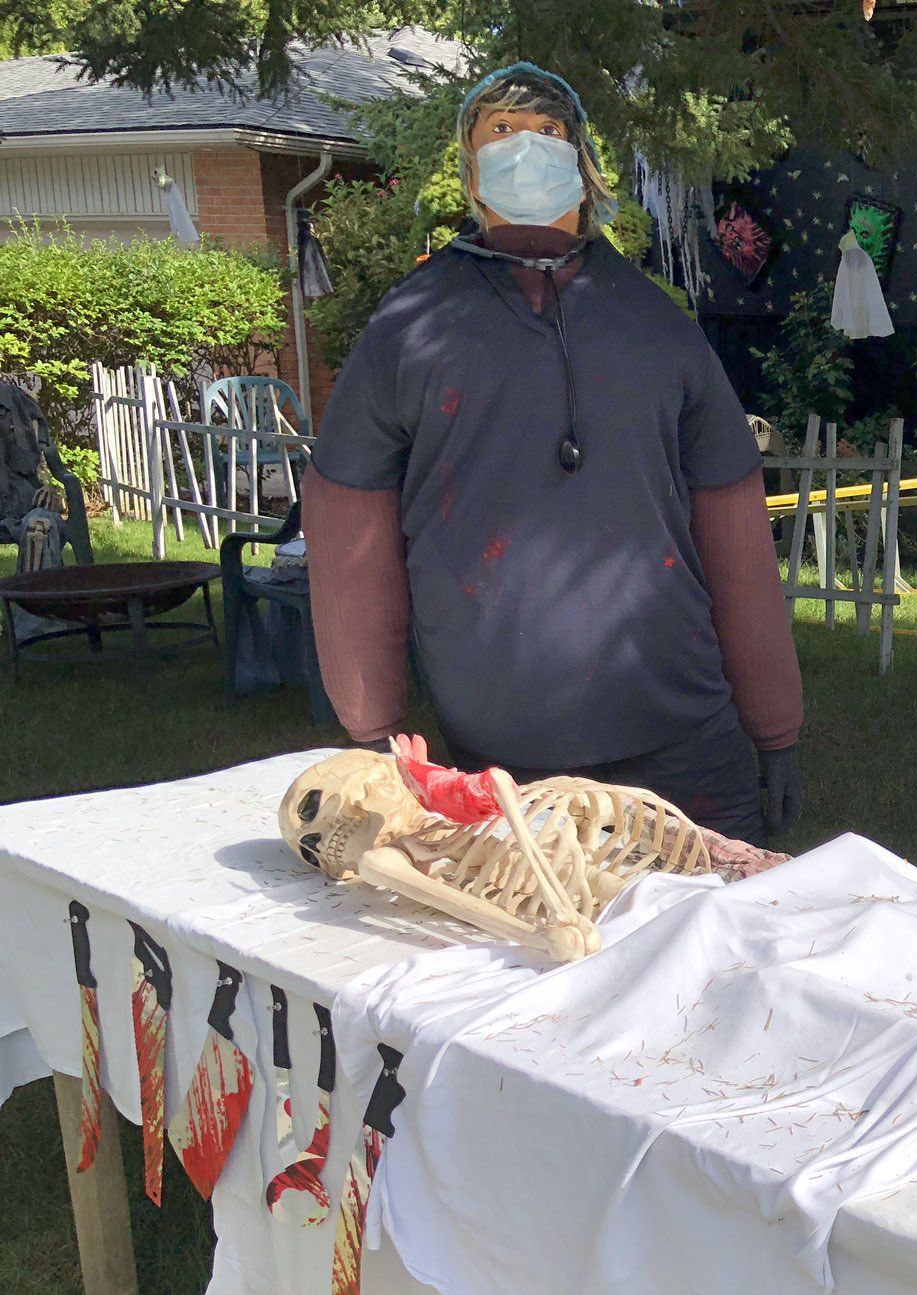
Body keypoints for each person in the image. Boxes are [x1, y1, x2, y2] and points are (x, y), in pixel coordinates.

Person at [302, 62, 801, 843]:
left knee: (720, 953)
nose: (525, 148)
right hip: (506, 769)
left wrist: (776, 729)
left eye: (548, 132)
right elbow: (348, 539)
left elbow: (736, 537)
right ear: (469, 167)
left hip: (687, 753)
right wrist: (373, 733)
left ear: (583, 160)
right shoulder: (407, 333)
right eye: (500, 133)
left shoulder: (656, 328)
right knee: (544, 957)